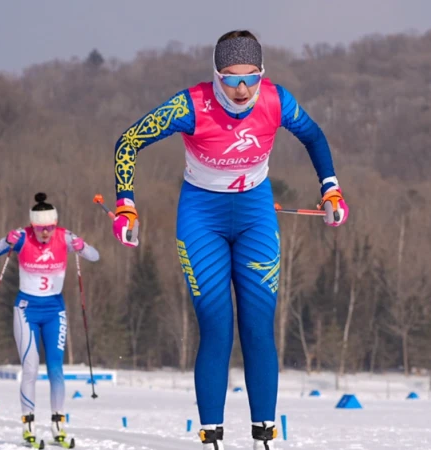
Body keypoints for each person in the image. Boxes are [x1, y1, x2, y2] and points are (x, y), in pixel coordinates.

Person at [109, 30, 348, 449]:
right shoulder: (191, 104)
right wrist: (126, 203)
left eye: (251, 77)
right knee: (217, 328)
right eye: (230, 78)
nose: (241, 89)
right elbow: (128, 141)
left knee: (258, 326)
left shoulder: (276, 100)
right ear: (214, 75)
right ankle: (212, 437)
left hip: (255, 215)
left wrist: (330, 188)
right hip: (202, 218)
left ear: (262, 74)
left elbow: (314, 136)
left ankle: (264, 437)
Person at [0, 192, 99, 449]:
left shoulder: (65, 237)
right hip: (26, 309)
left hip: (54, 310)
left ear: (55, 224)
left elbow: (95, 256)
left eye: (49, 228)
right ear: (33, 225)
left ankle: (58, 423)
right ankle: (28, 425)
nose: (45, 233)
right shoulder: (23, 237)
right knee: (31, 366)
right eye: (40, 228)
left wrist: (82, 246)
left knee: (56, 369)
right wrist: (6, 241)